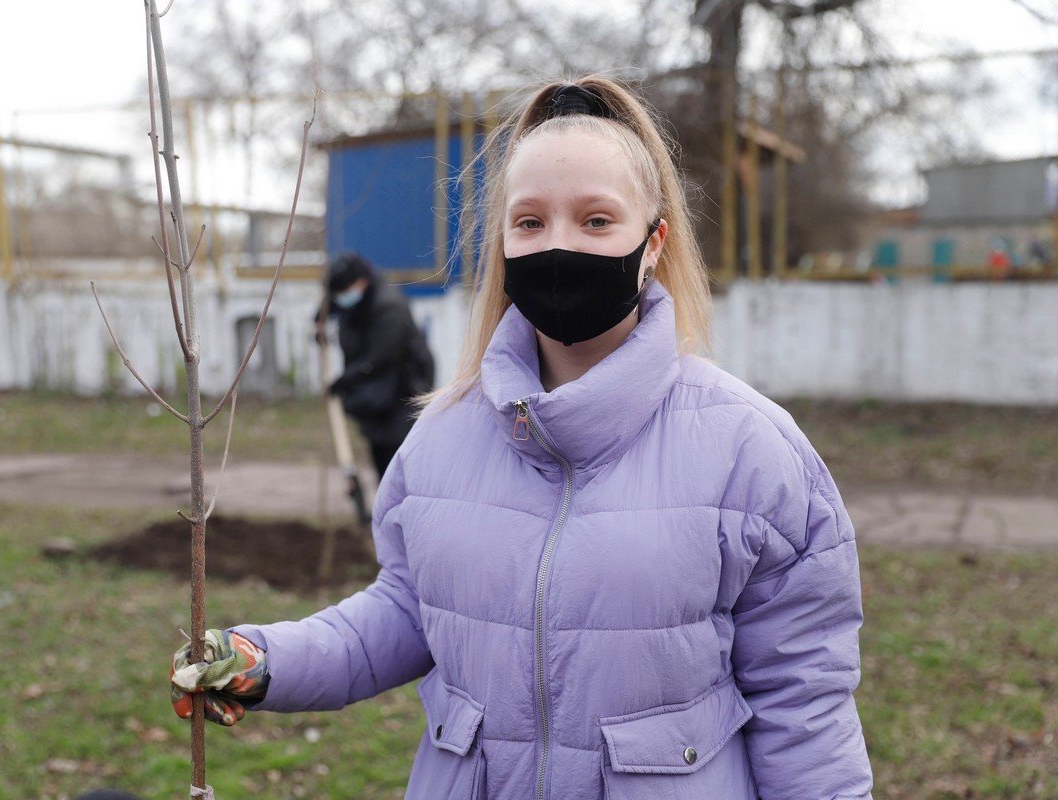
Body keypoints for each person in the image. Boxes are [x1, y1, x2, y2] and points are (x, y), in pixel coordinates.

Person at [171, 76, 874, 799]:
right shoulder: (441, 438)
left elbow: (804, 704)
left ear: (653, 242)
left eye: (596, 220)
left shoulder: (752, 450)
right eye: (530, 222)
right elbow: (407, 612)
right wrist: (266, 658)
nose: (558, 244)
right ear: (504, 245)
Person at [317, 251, 435, 479]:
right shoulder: (356, 296)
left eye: (344, 291)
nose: (341, 297)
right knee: (379, 454)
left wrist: (344, 380)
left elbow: (379, 359)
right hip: (376, 400)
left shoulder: (390, 308)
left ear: (361, 282)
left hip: (403, 394)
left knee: (398, 463)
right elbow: (330, 305)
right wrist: (318, 322)